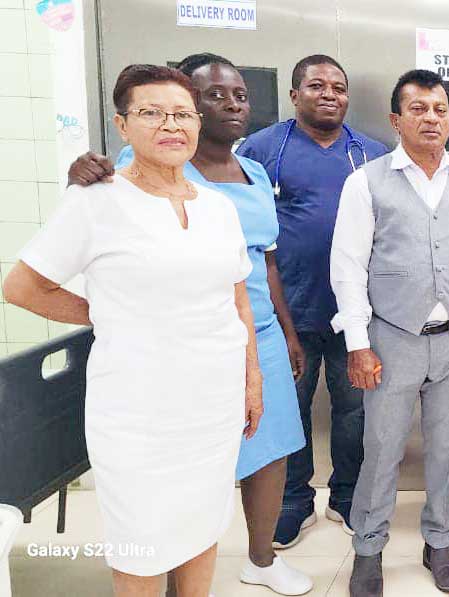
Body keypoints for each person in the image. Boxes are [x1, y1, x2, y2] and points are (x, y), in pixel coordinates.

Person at [4, 64, 261, 596]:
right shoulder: (98, 200)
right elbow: (23, 287)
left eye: (183, 114)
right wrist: (105, 313)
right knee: (141, 539)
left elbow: (236, 296)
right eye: (151, 113)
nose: (171, 125)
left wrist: (251, 379)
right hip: (137, 415)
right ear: (123, 126)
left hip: (212, 406)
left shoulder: (218, 208)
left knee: (203, 522)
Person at [65, 54, 312, 596]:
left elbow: (265, 261)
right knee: (193, 470)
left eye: (240, 95)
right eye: (215, 95)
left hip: (258, 332)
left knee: (272, 448)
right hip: (186, 343)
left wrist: (288, 335)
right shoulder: (150, 162)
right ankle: (177, 573)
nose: (231, 104)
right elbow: (107, 197)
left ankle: (262, 559)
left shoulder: (252, 170)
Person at [330, 69, 449, 597]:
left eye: (439, 110)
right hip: (391, 335)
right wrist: (358, 344)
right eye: (418, 109)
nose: (431, 118)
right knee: (382, 446)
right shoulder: (366, 181)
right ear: (396, 119)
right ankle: (368, 547)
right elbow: (347, 267)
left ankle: (440, 541)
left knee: (448, 448)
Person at [236, 54, 388, 548]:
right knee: (291, 410)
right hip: (288, 313)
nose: (330, 95)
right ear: (294, 94)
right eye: (317, 86)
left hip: (355, 316)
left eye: (339, 88)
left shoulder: (370, 154)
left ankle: (346, 497)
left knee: (353, 411)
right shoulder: (261, 150)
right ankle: (293, 502)